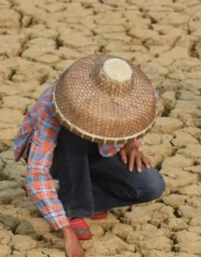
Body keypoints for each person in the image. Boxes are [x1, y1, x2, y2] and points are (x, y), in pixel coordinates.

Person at [13, 54, 166, 257]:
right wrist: (65, 230)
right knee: (73, 137)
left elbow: (142, 120)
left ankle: (83, 199)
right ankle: (73, 208)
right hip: (63, 155)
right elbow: (37, 172)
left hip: (102, 151)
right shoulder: (57, 104)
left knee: (151, 186)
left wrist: (132, 145)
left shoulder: (141, 96)